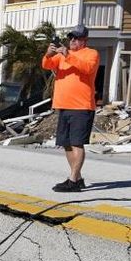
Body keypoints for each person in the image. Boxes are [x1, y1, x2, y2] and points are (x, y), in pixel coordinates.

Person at [41, 24, 99, 192]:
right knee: (66, 143)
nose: (72, 40)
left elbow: (87, 69)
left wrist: (68, 55)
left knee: (77, 143)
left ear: (84, 40)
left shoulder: (91, 54)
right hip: (63, 105)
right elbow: (46, 65)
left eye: (76, 38)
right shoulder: (61, 56)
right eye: (71, 37)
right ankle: (77, 178)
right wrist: (48, 54)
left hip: (81, 106)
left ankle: (72, 180)